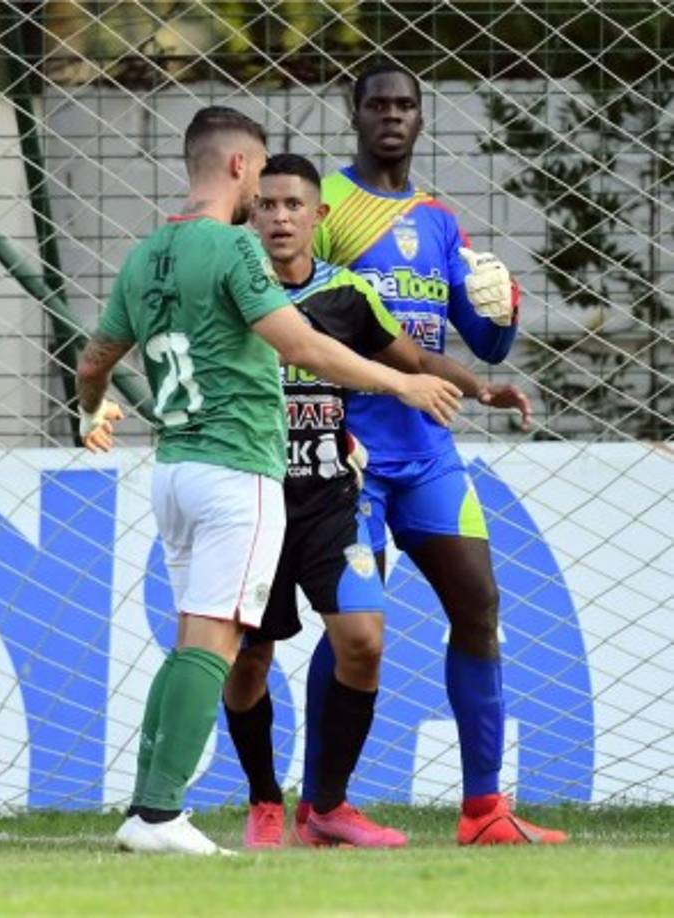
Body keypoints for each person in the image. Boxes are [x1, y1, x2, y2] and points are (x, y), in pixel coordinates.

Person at [76, 106, 462, 856]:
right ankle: (159, 816)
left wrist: (93, 412)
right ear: (236, 168)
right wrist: (400, 385)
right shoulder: (233, 249)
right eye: (260, 178)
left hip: (175, 468)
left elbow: (94, 361)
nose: (266, 201)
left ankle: (147, 809)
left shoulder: (145, 253)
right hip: (236, 472)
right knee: (216, 644)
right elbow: (301, 345)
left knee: (194, 633)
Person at [223, 153, 532, 849]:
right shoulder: (233, 289)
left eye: (291, 206)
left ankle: (348, 807)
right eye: (266, 205)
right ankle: (270, 801)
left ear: (314, 216)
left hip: (355, 480)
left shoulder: (356, 286)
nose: (279, 217)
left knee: (383, 628)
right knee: (250, 657)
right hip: (267, 490)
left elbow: (415, 360)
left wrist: (480, 389)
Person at [304, 60, 569, 846]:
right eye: (377, 103)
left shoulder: (439, 221)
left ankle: (483, 811)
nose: (391, 114)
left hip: (426, 451)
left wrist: (502, 308)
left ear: (421, 118)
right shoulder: (328, 206)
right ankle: (324, 807)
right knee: (352, 627)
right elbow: (297, 308)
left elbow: (481, 342)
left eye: (405, 104)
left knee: (479, 604)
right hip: (349, 450)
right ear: (354, 113)